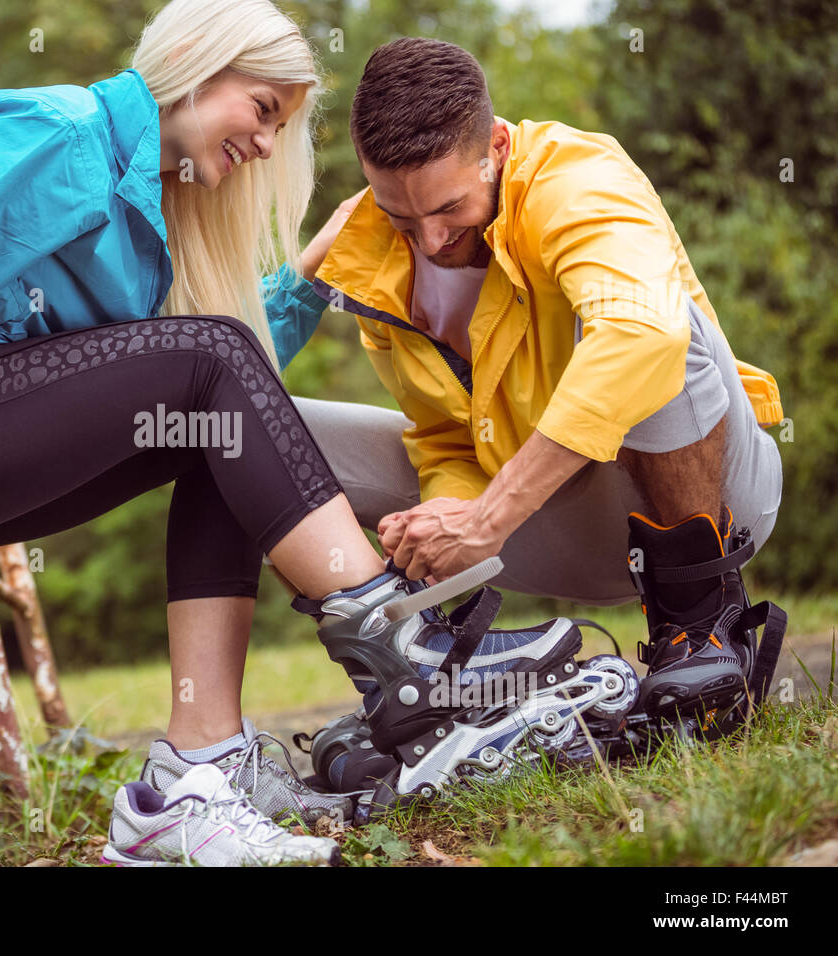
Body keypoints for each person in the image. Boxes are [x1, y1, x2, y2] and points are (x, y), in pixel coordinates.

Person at [0, 0, 471, 865]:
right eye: (265, 111)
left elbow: (226, 379)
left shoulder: (152, 209)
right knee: (213, 371)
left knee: (223, 425)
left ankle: (194, 778)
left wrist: (308, 277)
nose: (269, 145)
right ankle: (407, 653)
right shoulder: (60, 136)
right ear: (201, 69)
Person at [296, 37, 786, 745]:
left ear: (494, 146)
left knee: (653, 323)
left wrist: (489, 517)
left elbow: (642, 335)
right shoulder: (376, 258)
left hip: (716, 500)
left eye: (450, 208)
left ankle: (698, 632)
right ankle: (415, 679)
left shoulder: (578, 176)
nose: (429, 241)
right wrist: (447, 509)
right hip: (557, 522)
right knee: (261, 428)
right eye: (403, 218)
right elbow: (443, 435)